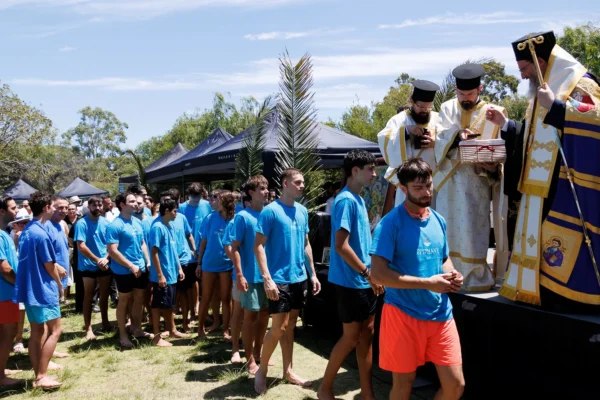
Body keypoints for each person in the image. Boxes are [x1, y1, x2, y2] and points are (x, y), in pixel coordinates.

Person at [485, 31, 600, 309]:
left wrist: (558, 107)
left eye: (524, 68)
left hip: (566, 186)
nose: (523, 75)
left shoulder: (580, 82)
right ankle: (539, 290)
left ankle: (573, 296)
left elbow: (596, 120)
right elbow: (531, 137)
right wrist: (506, 125)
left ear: (540, 62)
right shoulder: (543, 89)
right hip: (538, 187)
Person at [370, 159, 465, 400]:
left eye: (429, 185)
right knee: (404, 385)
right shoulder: (390, 224)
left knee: (455, 385)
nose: (427, 192)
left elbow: (443, 258)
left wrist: (452, 274)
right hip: (402, 314)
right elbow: (378, 274)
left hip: (441, 314)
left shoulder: (438, 220)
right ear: (403, 189)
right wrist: (428, 283)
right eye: (418, 188)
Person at [434, 64, 508, 292]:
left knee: (474, 230)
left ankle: (475, 276)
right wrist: (458, 136)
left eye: (470, 93)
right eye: (461, 93)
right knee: (449, 229)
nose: (465, 98)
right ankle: (449, 274)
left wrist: (493, 167)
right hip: (450, 181)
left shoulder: (494, 112)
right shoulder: (447, 108)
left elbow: (503, 148)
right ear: (456, 90)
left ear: (480, 90)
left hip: (477, 181)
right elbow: (439, 138)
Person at [318, 150, 384, 400]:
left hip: (364, 280)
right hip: (353, 281)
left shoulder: (358, 198)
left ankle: (368, 394)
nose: (374, 174)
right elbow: (341, 246)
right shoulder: (346, 200)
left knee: (367, 336)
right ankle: (324, 389)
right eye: (370, 169)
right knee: (351, 338)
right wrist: (368, 273)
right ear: (355, 171)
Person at [253, 168, 322, 394]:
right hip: (278, 279)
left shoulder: (302, 211)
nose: (302, 186)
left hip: (298, 278)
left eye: (303, 182)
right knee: (279, 327)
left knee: (291, 325)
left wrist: (312, 274)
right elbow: (258, 246)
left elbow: (306, 244)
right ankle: (262, 371)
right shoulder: (270, 211)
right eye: (298, 182)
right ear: (285, 184)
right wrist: (267, 279)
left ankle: (288, 370)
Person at [14, 192, 66, 390]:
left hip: (29, 290)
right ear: (45, 207)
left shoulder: (27, 230)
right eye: (52, 206)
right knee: (55, 330)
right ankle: (42, 376)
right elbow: (49, 265)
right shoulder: (41, 234)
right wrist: (59, 285)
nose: (54, 209)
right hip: (43, 290)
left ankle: (39, 374)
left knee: (37, 331)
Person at [377, 80, 441, 212]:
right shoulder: (399, 120)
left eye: (428, 107)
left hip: (432, 184)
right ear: (412, 101)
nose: (425, 111)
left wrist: (435, 142)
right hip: (408, 184)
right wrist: (405, 131)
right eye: (421, 106)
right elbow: (384, 139)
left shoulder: (438, 119)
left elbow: (449, 142)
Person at [231, 176, 270, 374]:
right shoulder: (243, 217)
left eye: (267, 188)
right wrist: (240, 274)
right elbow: (234, 247)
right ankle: (250, 360)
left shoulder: (269, 214)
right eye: (261, 188)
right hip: (250, 275)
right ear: (251, 193)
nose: (266, 191)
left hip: (268, 277)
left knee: (264, 315)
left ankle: (259, 353)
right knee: (250, 316)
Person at [106, 192, 152, 348]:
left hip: (140, 267)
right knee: (124, 300)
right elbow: (112, 251)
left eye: (136, 202)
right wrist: (130, 265)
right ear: (122, 205)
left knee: (139, 298)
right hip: (123, 270)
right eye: (132, 201)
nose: (136, 204)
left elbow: (142, 243)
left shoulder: (137, 222)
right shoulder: (115, 225)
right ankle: (123, 335)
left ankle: (136, 329)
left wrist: (147, 261)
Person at [195, 191, 234, 340]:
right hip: (209, 264)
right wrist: (199, 263)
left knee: (226, 298)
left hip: (227, 265)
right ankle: (200, 330)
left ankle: (226, 330)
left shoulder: (235, 219)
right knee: (206, 297)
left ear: (226, 202)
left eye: (217, 199)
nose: (214, 201)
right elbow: (203, 241)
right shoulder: (210, 218)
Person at [148, 197, 185, 347]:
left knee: (169, 305)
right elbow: (154, 252)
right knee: (158, 305)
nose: (177, 214)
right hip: (162, 275)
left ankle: (172, 330)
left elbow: (173, 250)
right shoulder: (157, 227)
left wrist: (179, 268)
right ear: (167, 211)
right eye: (175, 211)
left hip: (171, 273)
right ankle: (156, 338)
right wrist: (160, 275)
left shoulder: (169, 225)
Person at [74, 196, 111, 340]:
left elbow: (112, 243)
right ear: (89, 207)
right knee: (88, 296)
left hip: (104, 264)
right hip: (88, 266)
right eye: (94, 205)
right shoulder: (81, 224)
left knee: (104, 295)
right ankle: (88, 328)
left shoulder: (106, 223)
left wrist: (106, 258)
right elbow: (81, 246)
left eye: (100, 205)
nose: (97, 208)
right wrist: (97, 260)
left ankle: (105, 322)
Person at [177, 183, 212, 328]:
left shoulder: (207, 205)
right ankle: (192, 313)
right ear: (188, 195)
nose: (197, 199)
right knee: (191, 284)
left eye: (199, 196)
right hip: (189, 252)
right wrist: (192, 248)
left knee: (206, 283)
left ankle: (204, 312)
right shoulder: (182, 208)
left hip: (206, 249)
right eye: (194, 196)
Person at [0, 196, 24, 387]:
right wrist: (21, 283)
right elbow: (5, 269)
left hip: (7, 293)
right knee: (8, 334)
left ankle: (2, 368)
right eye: (13, 208)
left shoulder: (4, 233)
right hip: (4, 294)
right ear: (2, 211)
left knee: (4, 334)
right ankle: (1, 377)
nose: (17, 211)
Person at [44, 196, 70, 303]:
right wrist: (56, 267)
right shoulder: (46, 226)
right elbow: (44, 253)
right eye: (60, 207)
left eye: (66, 208)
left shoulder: (59, 225)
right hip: (51, 276)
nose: (64, 210)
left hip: (61, 275)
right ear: (52, 207)